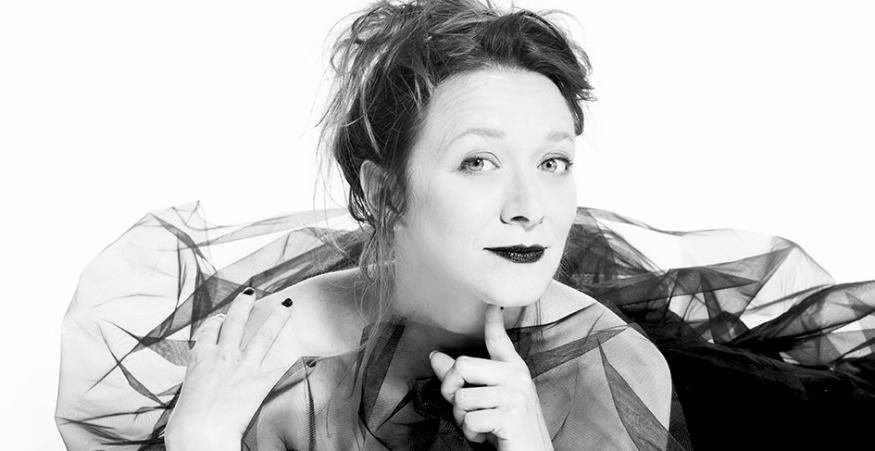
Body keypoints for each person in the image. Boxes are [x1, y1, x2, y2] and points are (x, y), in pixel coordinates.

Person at [56, 0, 875, 450]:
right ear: (383, 189)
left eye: (553, 161)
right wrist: (201, 439)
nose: (530, 205)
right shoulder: (268, 362)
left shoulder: (606, 364)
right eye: (477, 161)